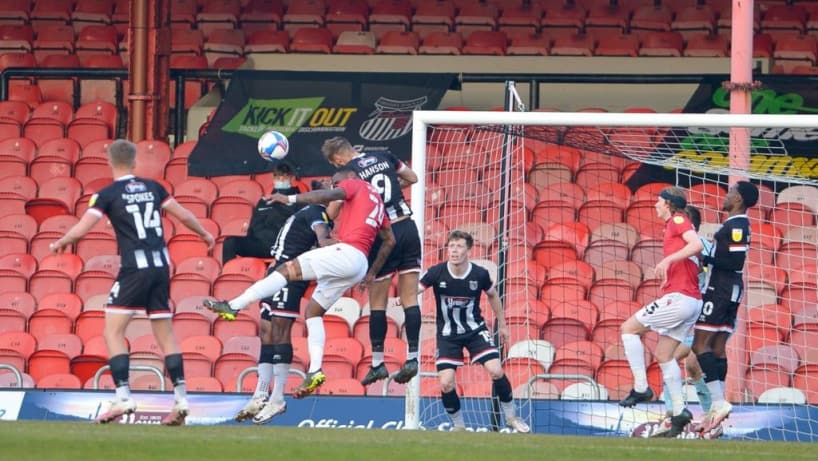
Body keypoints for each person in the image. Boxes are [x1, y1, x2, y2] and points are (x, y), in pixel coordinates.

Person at [49, 139, 215, 425]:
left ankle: (123, 396)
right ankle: (182, 398)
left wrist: (63, 240)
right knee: (166, 335)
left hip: (134, 268)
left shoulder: (107, 194)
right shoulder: (154, 188)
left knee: (112, 332)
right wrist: (204, 234)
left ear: (110, 163)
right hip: (161, 267)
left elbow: (83, 228)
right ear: (136, 162)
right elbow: (184, 215)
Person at [205, 168, 395, 398]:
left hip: (346, 253)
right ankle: (315, 370)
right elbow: (390, 240)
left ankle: (233, 306)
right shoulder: (377, 201)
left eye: (336, 182)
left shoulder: (355, 184)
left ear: (348, 179)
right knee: (313, 312)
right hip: (360, 263)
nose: (335, 187)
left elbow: (326, 197)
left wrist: (289, 198)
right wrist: (372, 272)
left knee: (285, 269)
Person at [321, 136, 423, 386]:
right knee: (410, 298)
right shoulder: (385, 155)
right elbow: (413, 178)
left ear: (338, 159)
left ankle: (378, 363)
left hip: (381, 235)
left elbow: (332, 212)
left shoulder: (348, 174)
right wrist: (392, 192)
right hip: (408, 228)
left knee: (377, 303)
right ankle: (412, 358)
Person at [234, 179, 334, 424]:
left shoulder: (318, 214)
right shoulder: (309, 210)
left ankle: (277, 397)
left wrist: (337, 248)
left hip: (291, 275)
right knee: (266, 331)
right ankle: (260, 393)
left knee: (280, 331)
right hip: (276, 271)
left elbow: (322, 237)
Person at [418, 230, 530, 433]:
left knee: (496, 370)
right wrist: (403, 298)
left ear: (468, 250)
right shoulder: (437, 272)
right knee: (446, 383)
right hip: (447, 335)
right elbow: (416, 288)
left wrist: (503, 325)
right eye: (451, 246)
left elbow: (493, 296)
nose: (454, 250)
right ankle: (459, 426)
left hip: (475, 331)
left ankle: (511, 416)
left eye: (459, 246)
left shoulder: (479, 274)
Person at [618, 186, 703, 438]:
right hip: (691, 302)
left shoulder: (678, 219)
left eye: (658, 201)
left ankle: (641, 387)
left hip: (679, 298)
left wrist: (667, 260)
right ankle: (679, 411)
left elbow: (696, 243)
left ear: (668, 204)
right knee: (664, 355)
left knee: (628, 329)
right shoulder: (672, 226)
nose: (655, 205)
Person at [691, 181, 758, 435]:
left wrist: (704, 255)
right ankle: (715, 409)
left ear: (739, 199)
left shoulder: (737, 225)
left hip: (721, 287)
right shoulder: (737, 225)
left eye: (730, 193)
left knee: (699, 344)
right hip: (730, 288)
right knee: (717, 347)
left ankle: (718, 402)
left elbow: (733, 260)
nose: (726, 196)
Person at [650, 204, 714, 438]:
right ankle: (674, 414)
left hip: (707, 314)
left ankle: (710, 417)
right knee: (675, 360)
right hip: (691, 313)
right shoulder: (681, 248)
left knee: (692, 363)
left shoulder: (702, 246)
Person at [221, 162, 303, 263]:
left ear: (291, 178)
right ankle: (227, 272)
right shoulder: (264, 202)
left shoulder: (299, 201)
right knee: (230, 242)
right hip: (260, 244)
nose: (280, 180)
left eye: (284, 177)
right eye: (277, 177)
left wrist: (284, 201)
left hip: (281, 246)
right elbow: (252, 227)